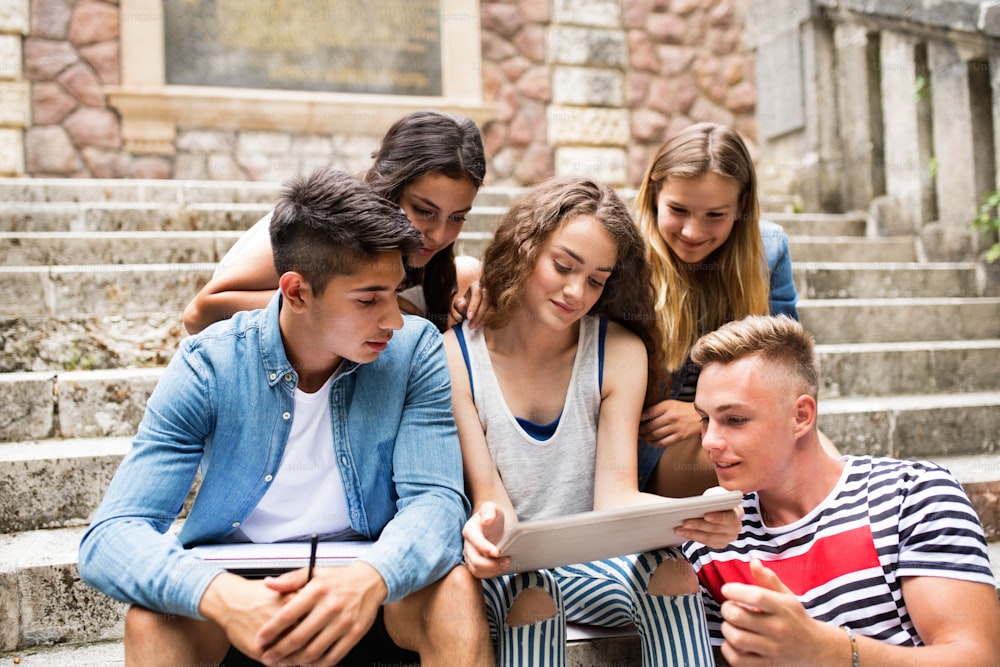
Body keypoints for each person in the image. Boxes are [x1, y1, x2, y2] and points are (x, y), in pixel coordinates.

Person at [79, 168, 493, 667]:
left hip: (372, 576)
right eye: (368, 299)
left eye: (394, 291)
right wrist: (222, 596)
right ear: (296, 292)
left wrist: (370, 577)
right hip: (239, 590)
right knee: (152, 620)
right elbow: (113, 533)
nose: (394, 318)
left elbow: (437, 504)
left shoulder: (413, 351)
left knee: (454, 591)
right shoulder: (210, 364)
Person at [445, 176, 743, 667]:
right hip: (509, 567)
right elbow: (491, 501)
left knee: (673, 572)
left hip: (594, 567)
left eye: (596, 280)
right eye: (563, 266)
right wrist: (488, 537)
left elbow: (615, 497)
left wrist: (699, 515)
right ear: (524, 247)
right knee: (533, 595)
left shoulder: (618, 350)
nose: (575, 291)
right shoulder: (456, 353)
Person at [682, 314, 1000, 666]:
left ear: (801, 416)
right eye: (704, 419)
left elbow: (977, 658)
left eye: (735, 419)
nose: (709, 441)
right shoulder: (711, 545)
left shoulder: (913, 496)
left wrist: (831, 651)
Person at [632, 121, 835, 499]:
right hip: (652, 444)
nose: (693, 231)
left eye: (715, 215)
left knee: (825, 465)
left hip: (737, 423)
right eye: (678, 210)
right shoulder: (625, 251)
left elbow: (788, 369)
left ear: (741, 205)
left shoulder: (768, 249)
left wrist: (702, 415)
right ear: (655, 193)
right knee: (788, 467)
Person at [182, 109, 488, 335]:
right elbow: (200, 311)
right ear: (391, 186)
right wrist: (359, 301)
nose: (438, 234)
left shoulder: (437, 270)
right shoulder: (320, 222)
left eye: (458, 216)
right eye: (424, 211)